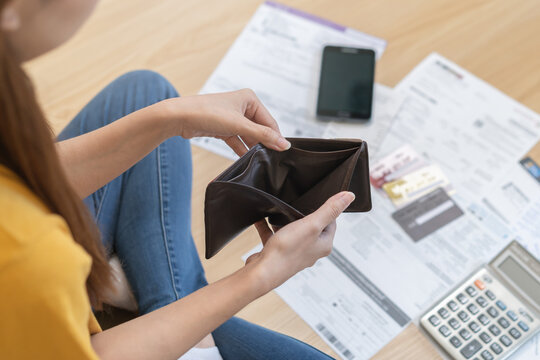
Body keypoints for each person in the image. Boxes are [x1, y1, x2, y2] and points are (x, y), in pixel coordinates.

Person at [0, 1, 355, 359]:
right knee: (181, 293)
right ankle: (175, 323)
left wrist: (173, 118)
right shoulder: (27, 255)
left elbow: (15, 185)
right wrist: (262, 274)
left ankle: (147, 296)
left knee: (145, 91)